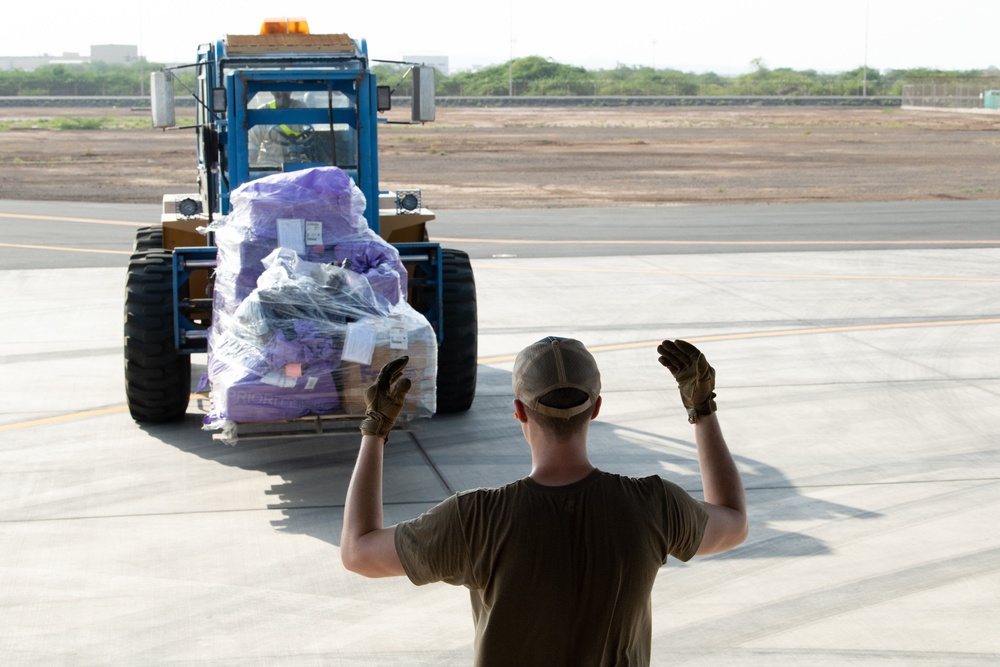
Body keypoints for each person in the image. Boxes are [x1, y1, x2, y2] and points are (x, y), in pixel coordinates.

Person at [341, 337, 748, 666]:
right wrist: (702, 409)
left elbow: (358, 551)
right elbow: (733, 520)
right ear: (597, 409)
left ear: (518, 411)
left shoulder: (475, 519)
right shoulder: (655, 505)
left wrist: (374, 431)